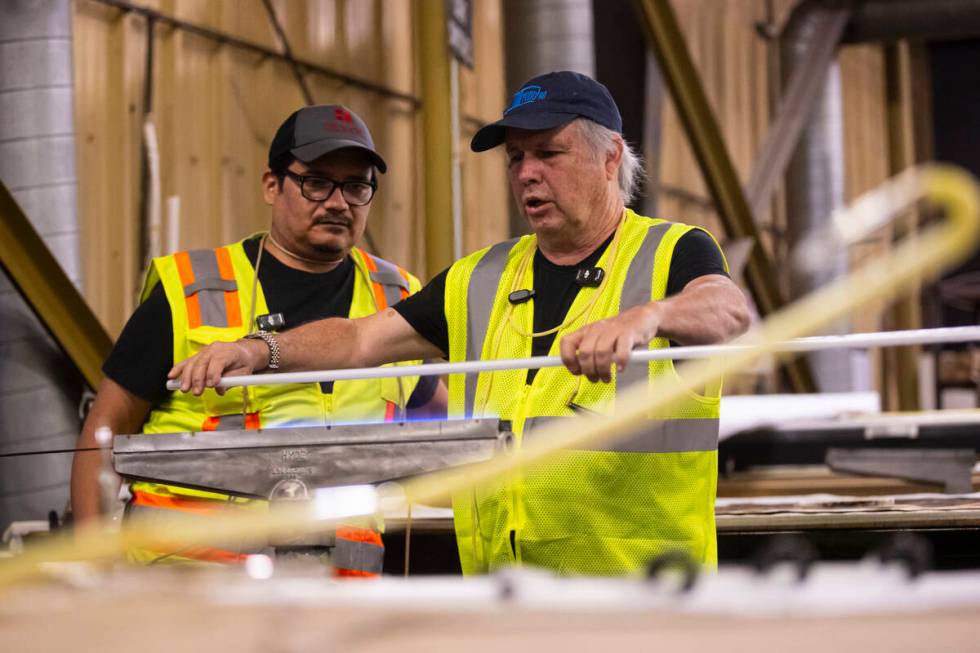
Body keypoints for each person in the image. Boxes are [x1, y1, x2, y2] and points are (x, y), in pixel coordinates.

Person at [169, 72, 750, 576]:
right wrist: (257, 350)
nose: (526, 174)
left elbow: (728, 311)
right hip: (504, 596)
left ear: (610, 156)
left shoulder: (672, 252)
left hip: (645, 598)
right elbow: (362, 337)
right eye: (516, 158)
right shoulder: (479, 277)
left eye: (548, 154)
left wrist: (651, 316)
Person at [71, 104, 446, 572]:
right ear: (272, 185)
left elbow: (443, 428)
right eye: (316, 182)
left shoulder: (398, 298)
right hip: (187, 590)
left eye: (356, 186)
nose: (338, 201)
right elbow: (103, 434)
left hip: (336, 599)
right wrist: (92, 571)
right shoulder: (193, 287)